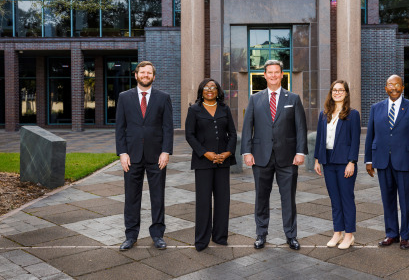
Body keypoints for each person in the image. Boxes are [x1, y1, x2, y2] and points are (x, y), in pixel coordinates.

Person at [241, 60, 308, 250]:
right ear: (264, 75)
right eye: (269, 72)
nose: (273, 75)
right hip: (261, 156)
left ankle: (291, 236)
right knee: (261, 198)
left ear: (282, 75)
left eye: (276, 72)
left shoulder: (293, 98)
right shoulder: (255, 99)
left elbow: (300, 127)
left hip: (288, 158)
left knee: (288, 198)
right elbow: (248, 127)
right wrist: (247, 152)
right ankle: (261, 234)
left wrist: (300, 151)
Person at [115, 61, 173, 251]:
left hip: (157, 156)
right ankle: (131, 235)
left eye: (149, 73)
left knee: (158, 197)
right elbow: (120, 128)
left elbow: (167, 128)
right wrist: (122, 153)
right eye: (142, 72)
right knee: (131, 197)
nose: (146, 75)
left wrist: (166, 151)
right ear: (136, 75)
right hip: (131, 156)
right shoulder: (124, 98)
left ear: (154, 77)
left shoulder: (163, 98)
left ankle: (157, 234)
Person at [364, 74, 409, 250]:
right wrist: (368, 160)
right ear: (385, 88)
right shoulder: (376, 108)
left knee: (406, 200)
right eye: (390, 85)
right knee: (387, 199)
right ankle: (391, 233)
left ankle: (406, 235)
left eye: (397, 85)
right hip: (382, 161)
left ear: (402, 87)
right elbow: (370, 136)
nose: (393, 88)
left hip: (406, 162)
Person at [185, 78, 237, 252]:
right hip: (203, 162)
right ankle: (201, 240)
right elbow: (190, 135)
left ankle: (220, 237)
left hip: (223, 161)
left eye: (213, 88)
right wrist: (205, 153)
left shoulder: (225, 108)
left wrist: (228, 153)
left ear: (217, 91)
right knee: (203, 201)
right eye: (206, 87)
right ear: (201, 91)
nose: (209, 90)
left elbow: (232, 134)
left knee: (223, 200)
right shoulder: (194, 110)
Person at [314, 80, 360, 250]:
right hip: (328, 162)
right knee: (334, 200)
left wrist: (352, 162)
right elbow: (320, 139)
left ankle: (349, 235)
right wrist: (317, 160)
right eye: (334, 90)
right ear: (331, 92)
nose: (337, 93)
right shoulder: (324, 114)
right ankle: (337, 233)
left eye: (341, 90)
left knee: (346, 199)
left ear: (346, 93)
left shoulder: (352, 114)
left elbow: (355, 141)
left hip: (344, 163)